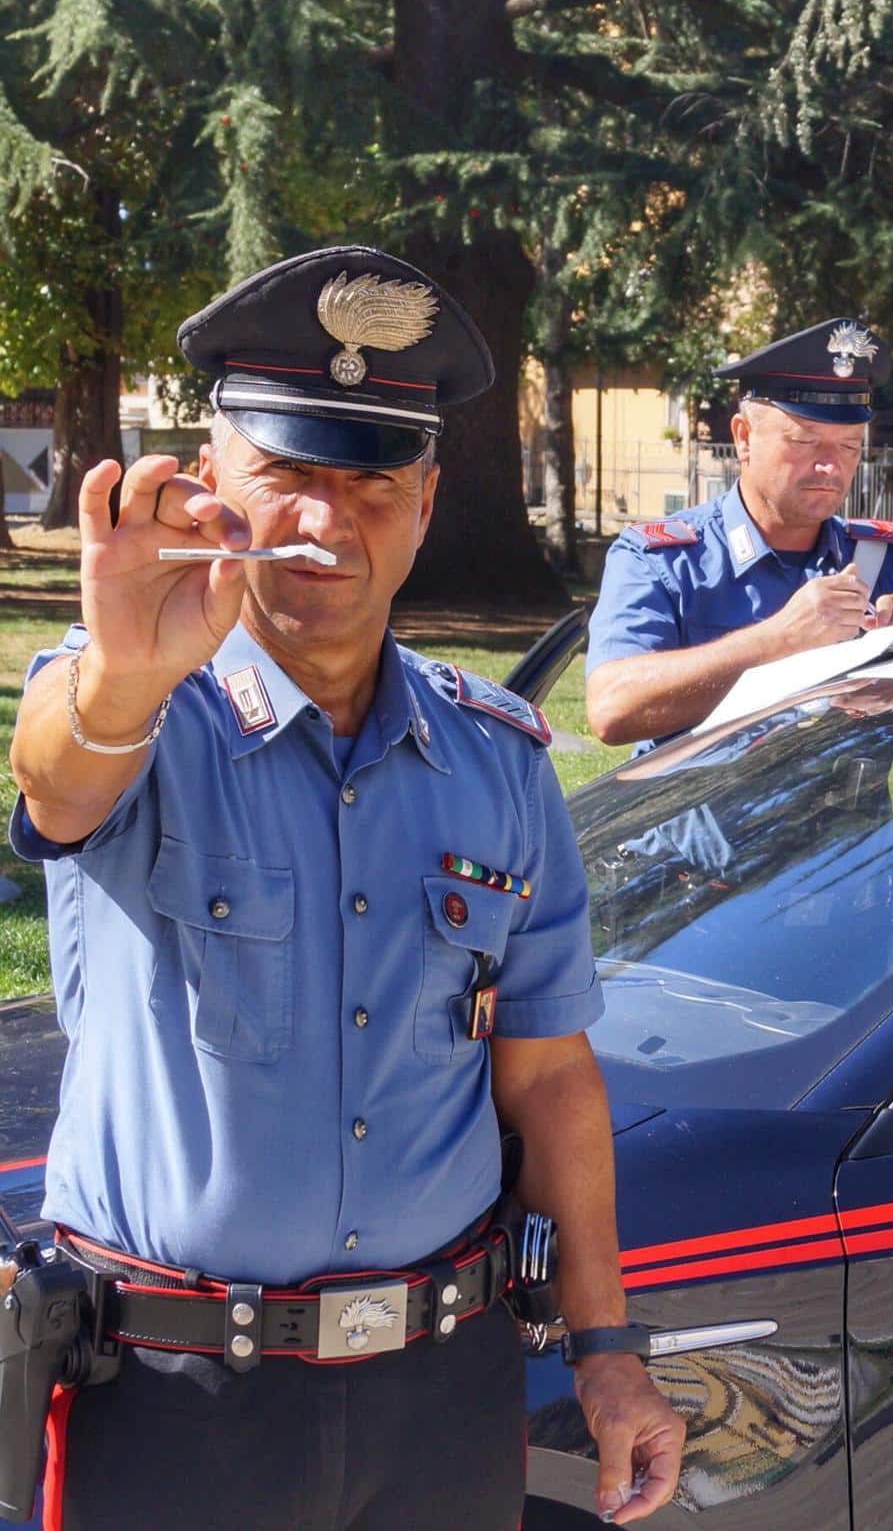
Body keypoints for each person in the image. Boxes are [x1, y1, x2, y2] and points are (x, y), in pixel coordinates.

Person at [7, 246, 684, 1531]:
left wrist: (605, 1350)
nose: (326, 520)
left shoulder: (496, 761)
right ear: (215, 487)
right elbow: (56, 785)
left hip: (437, 1393)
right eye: (289, 475)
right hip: (176, 1400)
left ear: (426, 504)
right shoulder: (138, 701)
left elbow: (546, 1078)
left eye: (370, 480)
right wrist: (117, 670)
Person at [585, 319, 893, 752]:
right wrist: (781, 639)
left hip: (856, 820)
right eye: (805, 442)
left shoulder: (890, 566)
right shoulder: (664, 562)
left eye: (849, 447)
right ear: (744, 437)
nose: (831, 467)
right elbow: (612, 708)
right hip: (709, 817)